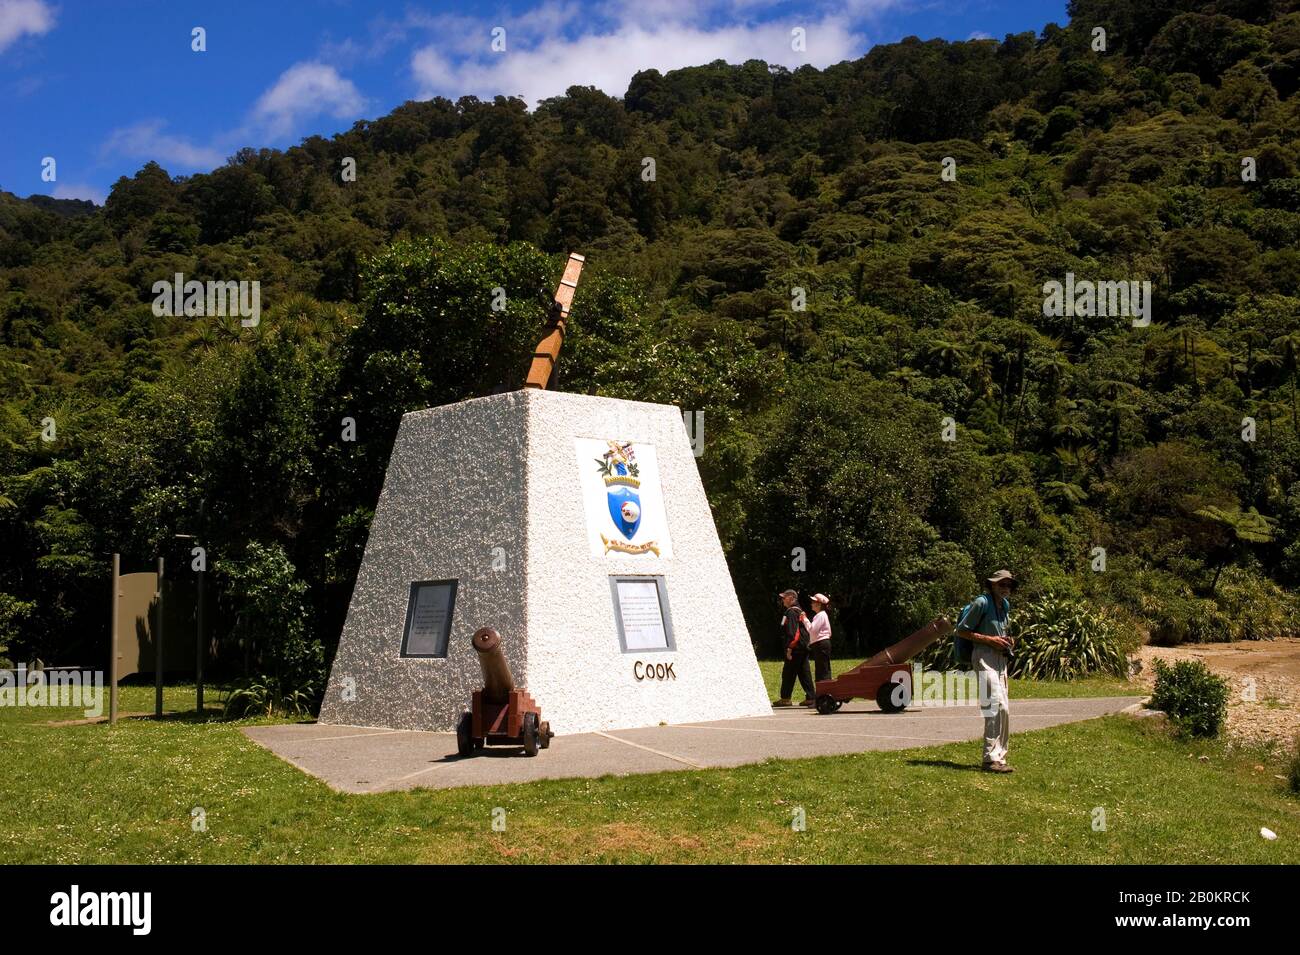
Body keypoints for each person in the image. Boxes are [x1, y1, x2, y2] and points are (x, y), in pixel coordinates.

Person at [956, 569, 1016, 773]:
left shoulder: (1005, 605)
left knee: (1004, 709)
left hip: (1001, 659)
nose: (1005, 588)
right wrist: (989, 640)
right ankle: (989, 759)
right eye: (1002, 584)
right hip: (983, 657)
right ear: (992, 585)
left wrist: (1007, 640)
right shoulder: (981, 603)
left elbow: (1000, 630)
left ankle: (1000, 757)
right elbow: (961, 631)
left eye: (1008, 585)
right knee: (994, 705)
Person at [774, 589, 815, 707]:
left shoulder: (791, 612)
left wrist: (789, 648)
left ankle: (785, 698)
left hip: (795, 647)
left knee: (788, 673)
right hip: (803, 646)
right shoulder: (798, 611)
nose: (782, 600)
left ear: (792, 598)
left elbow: (794, 632)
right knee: (804, 672)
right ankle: (811, 697)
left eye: (784, 597)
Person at [806, 593, 833, 684]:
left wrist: (804, 619)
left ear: (819, 604)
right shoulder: (821, 615)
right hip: (822, 644)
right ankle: (824, 691)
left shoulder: (820, 615)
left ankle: (824, 691)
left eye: (813, 602)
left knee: (822, 669)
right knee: (823, 667)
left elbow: (812, 630)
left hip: (821, 644)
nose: (811, 604)